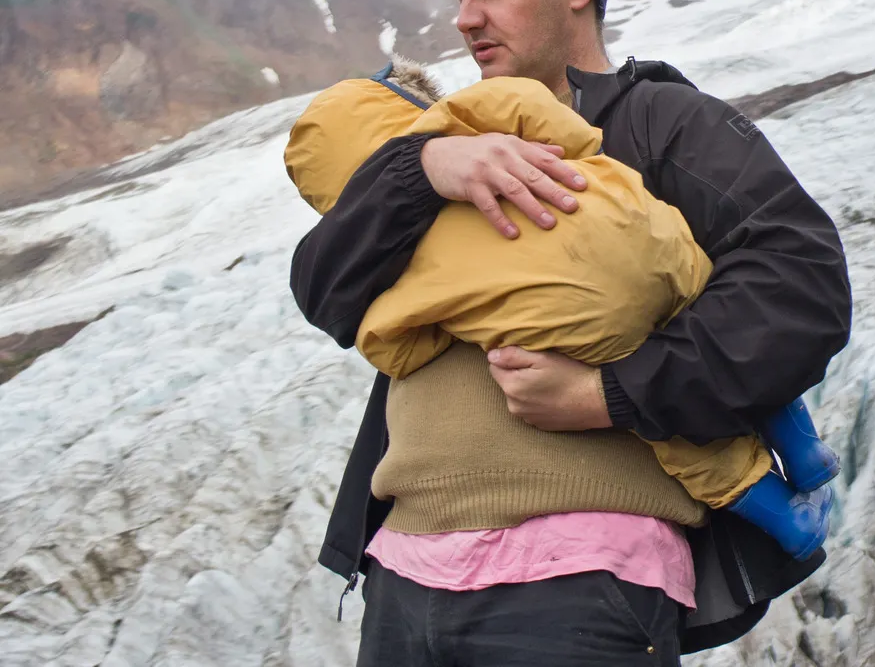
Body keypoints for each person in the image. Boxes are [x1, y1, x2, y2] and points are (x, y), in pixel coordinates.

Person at [289, 0, 852, 663]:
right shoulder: (440, 139)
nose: (464, 19)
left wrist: (608, 394)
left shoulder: (664, 125)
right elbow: (324, 290)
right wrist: (424, 171)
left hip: (582, 580)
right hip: (406, 573)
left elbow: (801, 290)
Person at [284, 58, 839, 560]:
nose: (467, 18)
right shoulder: (472, 119)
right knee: (698, 296)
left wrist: (605, 393)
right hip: (646, 236)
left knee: (679, 438)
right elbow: (545, 116)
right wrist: (581, 158)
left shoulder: (405, 261)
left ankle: (789, 523)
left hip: (577, 348)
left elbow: (394, 341)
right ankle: (803, 447)